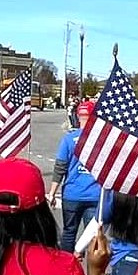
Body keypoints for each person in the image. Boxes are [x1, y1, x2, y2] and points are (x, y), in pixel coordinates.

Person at [52, 100, 102, 252]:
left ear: (78, 116)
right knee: (93, 237)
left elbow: (60, 166)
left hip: (72, 194)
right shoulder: (102, 140)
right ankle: (93, 273)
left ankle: (65, 270)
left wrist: (52, 192)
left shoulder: (69, 139)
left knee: (69, 232)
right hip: (94, 194)